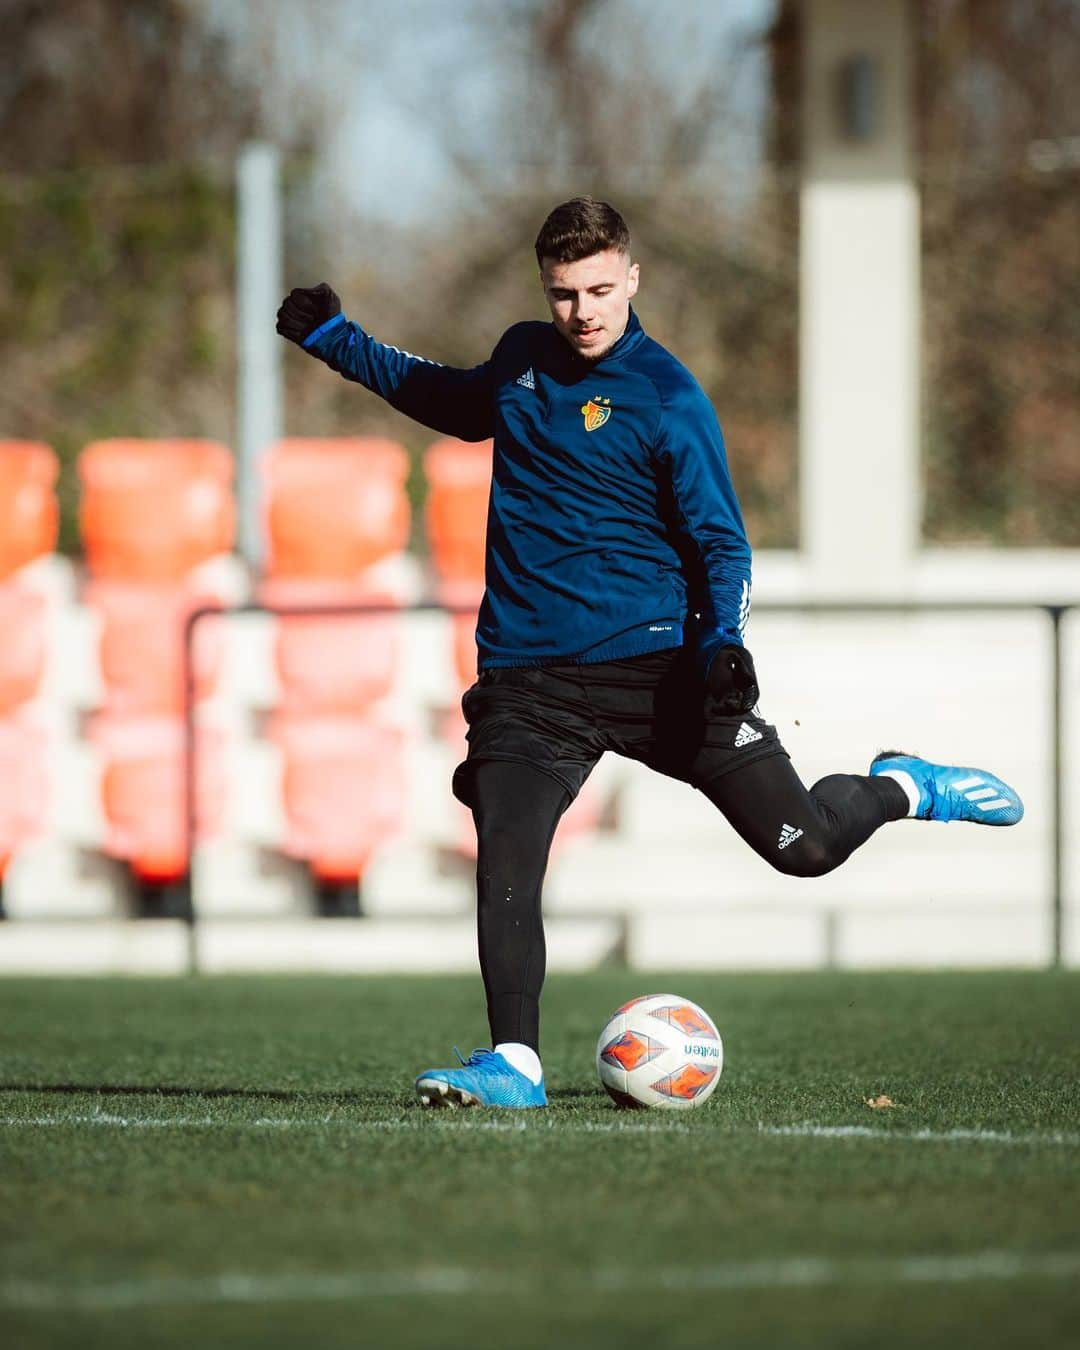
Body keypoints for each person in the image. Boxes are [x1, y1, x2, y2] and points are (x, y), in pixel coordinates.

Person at [276, 196, 1023, 1110]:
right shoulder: (520, 360)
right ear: (544, 289)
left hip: (658, 672)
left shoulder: (667, 397)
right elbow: (451, 400)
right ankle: (513, 1062)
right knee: (507, 856)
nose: (583, 311)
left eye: (599, 289)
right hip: (529, 681)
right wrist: (339, 340)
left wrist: (722, 646)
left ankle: (902, 785)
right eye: (563, 293)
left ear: (632, 277)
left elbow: (722, 545)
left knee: (807, 848)